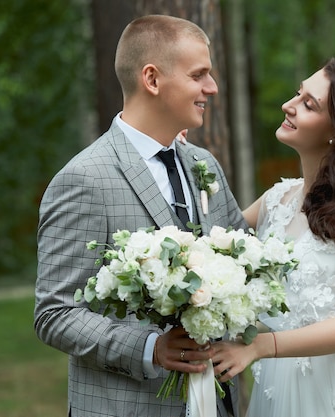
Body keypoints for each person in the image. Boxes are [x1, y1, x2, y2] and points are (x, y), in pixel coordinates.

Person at [34, 15, 247, 417]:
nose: (212, 88)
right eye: (199, 75)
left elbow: (247, 259)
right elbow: (55, 313)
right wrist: (150, 348)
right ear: (152, 79)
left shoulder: (204, 165)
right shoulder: (84, 180)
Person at [211, 57, 335, 417]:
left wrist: (259, 346)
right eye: (298, 94)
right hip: (275, 387)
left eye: (308, 104)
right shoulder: (275, 200)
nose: (289, 105)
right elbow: (209, 247)